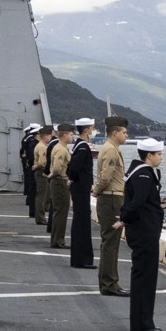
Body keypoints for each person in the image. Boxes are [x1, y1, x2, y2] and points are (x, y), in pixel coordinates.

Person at [121, 136, 166, 331]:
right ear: (149, 155)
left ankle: (141, 322)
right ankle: (143, 324)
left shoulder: (138, 172)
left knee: (143, 277)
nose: (161, 158)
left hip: (143, 232)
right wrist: (124, 218)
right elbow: (137, 203)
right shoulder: (144, 175)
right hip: (145, 233)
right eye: (159, 154)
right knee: (145, 279)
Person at [95, 116, 130, 296]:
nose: (126, 135)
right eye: (124, 132)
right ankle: (110, 284)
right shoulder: (110, 150)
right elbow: (106, 176)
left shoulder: (111, 149)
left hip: (111, 197)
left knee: (109, 242)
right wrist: (96, 190)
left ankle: (107, 281)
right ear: (114, 133)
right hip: (111, 199)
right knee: (111, 242)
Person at [67, 117, 97, 269]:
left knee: (81, 222)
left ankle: (81, 258)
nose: (93, 130)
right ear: (85, 130)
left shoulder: (79, 145)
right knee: (82, 223)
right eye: (92, 128)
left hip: (80, 188)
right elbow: (73, 168)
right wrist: (73, 179)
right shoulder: (84, 147)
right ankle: (81, 259)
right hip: (81, 189)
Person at [46, 123, 75, 249]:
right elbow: (57, 168)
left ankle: (58, 239)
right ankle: (57, 240)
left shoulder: (60, 147)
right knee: (60, 212)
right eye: (71, 134)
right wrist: (53, 175)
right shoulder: (61, 149)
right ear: (64, 135)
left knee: (61, 211)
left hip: (59, 181)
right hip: (60, 181)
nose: (72, 137)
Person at [30, 125, 55, 225]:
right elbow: (42, 162)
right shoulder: (42, 147)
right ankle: (40, 218)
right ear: (45, 136)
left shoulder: (42, 146)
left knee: (43, 195)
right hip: (41, 172)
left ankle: (40, 216)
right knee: (42, 196)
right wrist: (37, 166)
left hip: (40, 171)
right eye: (49, 136)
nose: (50, 138)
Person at [19, 122, 41, 218]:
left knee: (30, 186)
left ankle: (30, 203)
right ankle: (32, 209)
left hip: (29, 163)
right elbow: (30, 154)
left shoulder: (28, 139)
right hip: (32, 166)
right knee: (32, 188)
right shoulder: (33, 142)